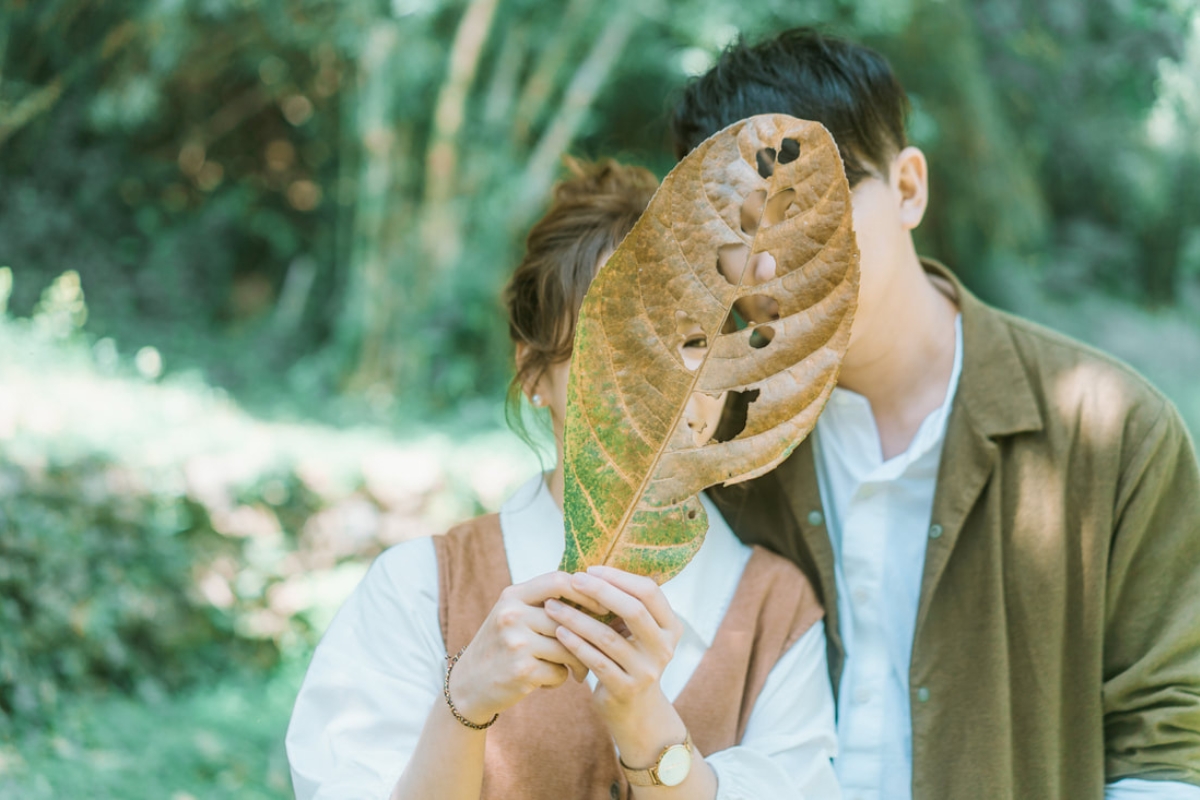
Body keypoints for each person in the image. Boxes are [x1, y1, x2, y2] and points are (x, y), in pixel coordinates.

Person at [672, 27, 1200, 800]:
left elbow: (1167, 743)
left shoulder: (1114, 432)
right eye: (736, 223)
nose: (774, 257)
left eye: (813, 198)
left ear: (909, 188)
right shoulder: (714, 449)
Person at [285, 159, 841, 800]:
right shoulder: (419, 591)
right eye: (611, 346)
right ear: (533, 374)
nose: (658, 383)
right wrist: (465, 701)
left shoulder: (776, 613)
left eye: (690, 340)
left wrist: (647, 728)